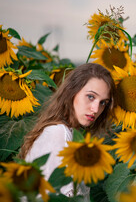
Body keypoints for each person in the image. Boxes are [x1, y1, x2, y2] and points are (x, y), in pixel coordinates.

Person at [19, 63, 116, 199]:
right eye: (91, 97)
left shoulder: (63, 131)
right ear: (72, 91)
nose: (95, 109)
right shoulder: (59, 133)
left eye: (103, 103)